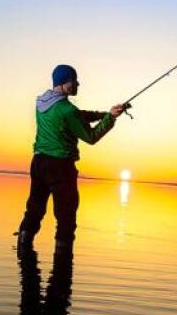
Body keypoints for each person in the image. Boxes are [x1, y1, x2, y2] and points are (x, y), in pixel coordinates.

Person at [16, 64, 126, 253]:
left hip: (39, 163)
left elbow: (78, 115)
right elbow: (90, 137)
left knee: (34, 210)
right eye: (74, 80)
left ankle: (23, 249)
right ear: (65, 82)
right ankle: (62, 262)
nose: (78, 84)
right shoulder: (67, 110)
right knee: (66, 217)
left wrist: (105, 114)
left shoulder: (41, 102)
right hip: (60, 167)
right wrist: (110, 119)